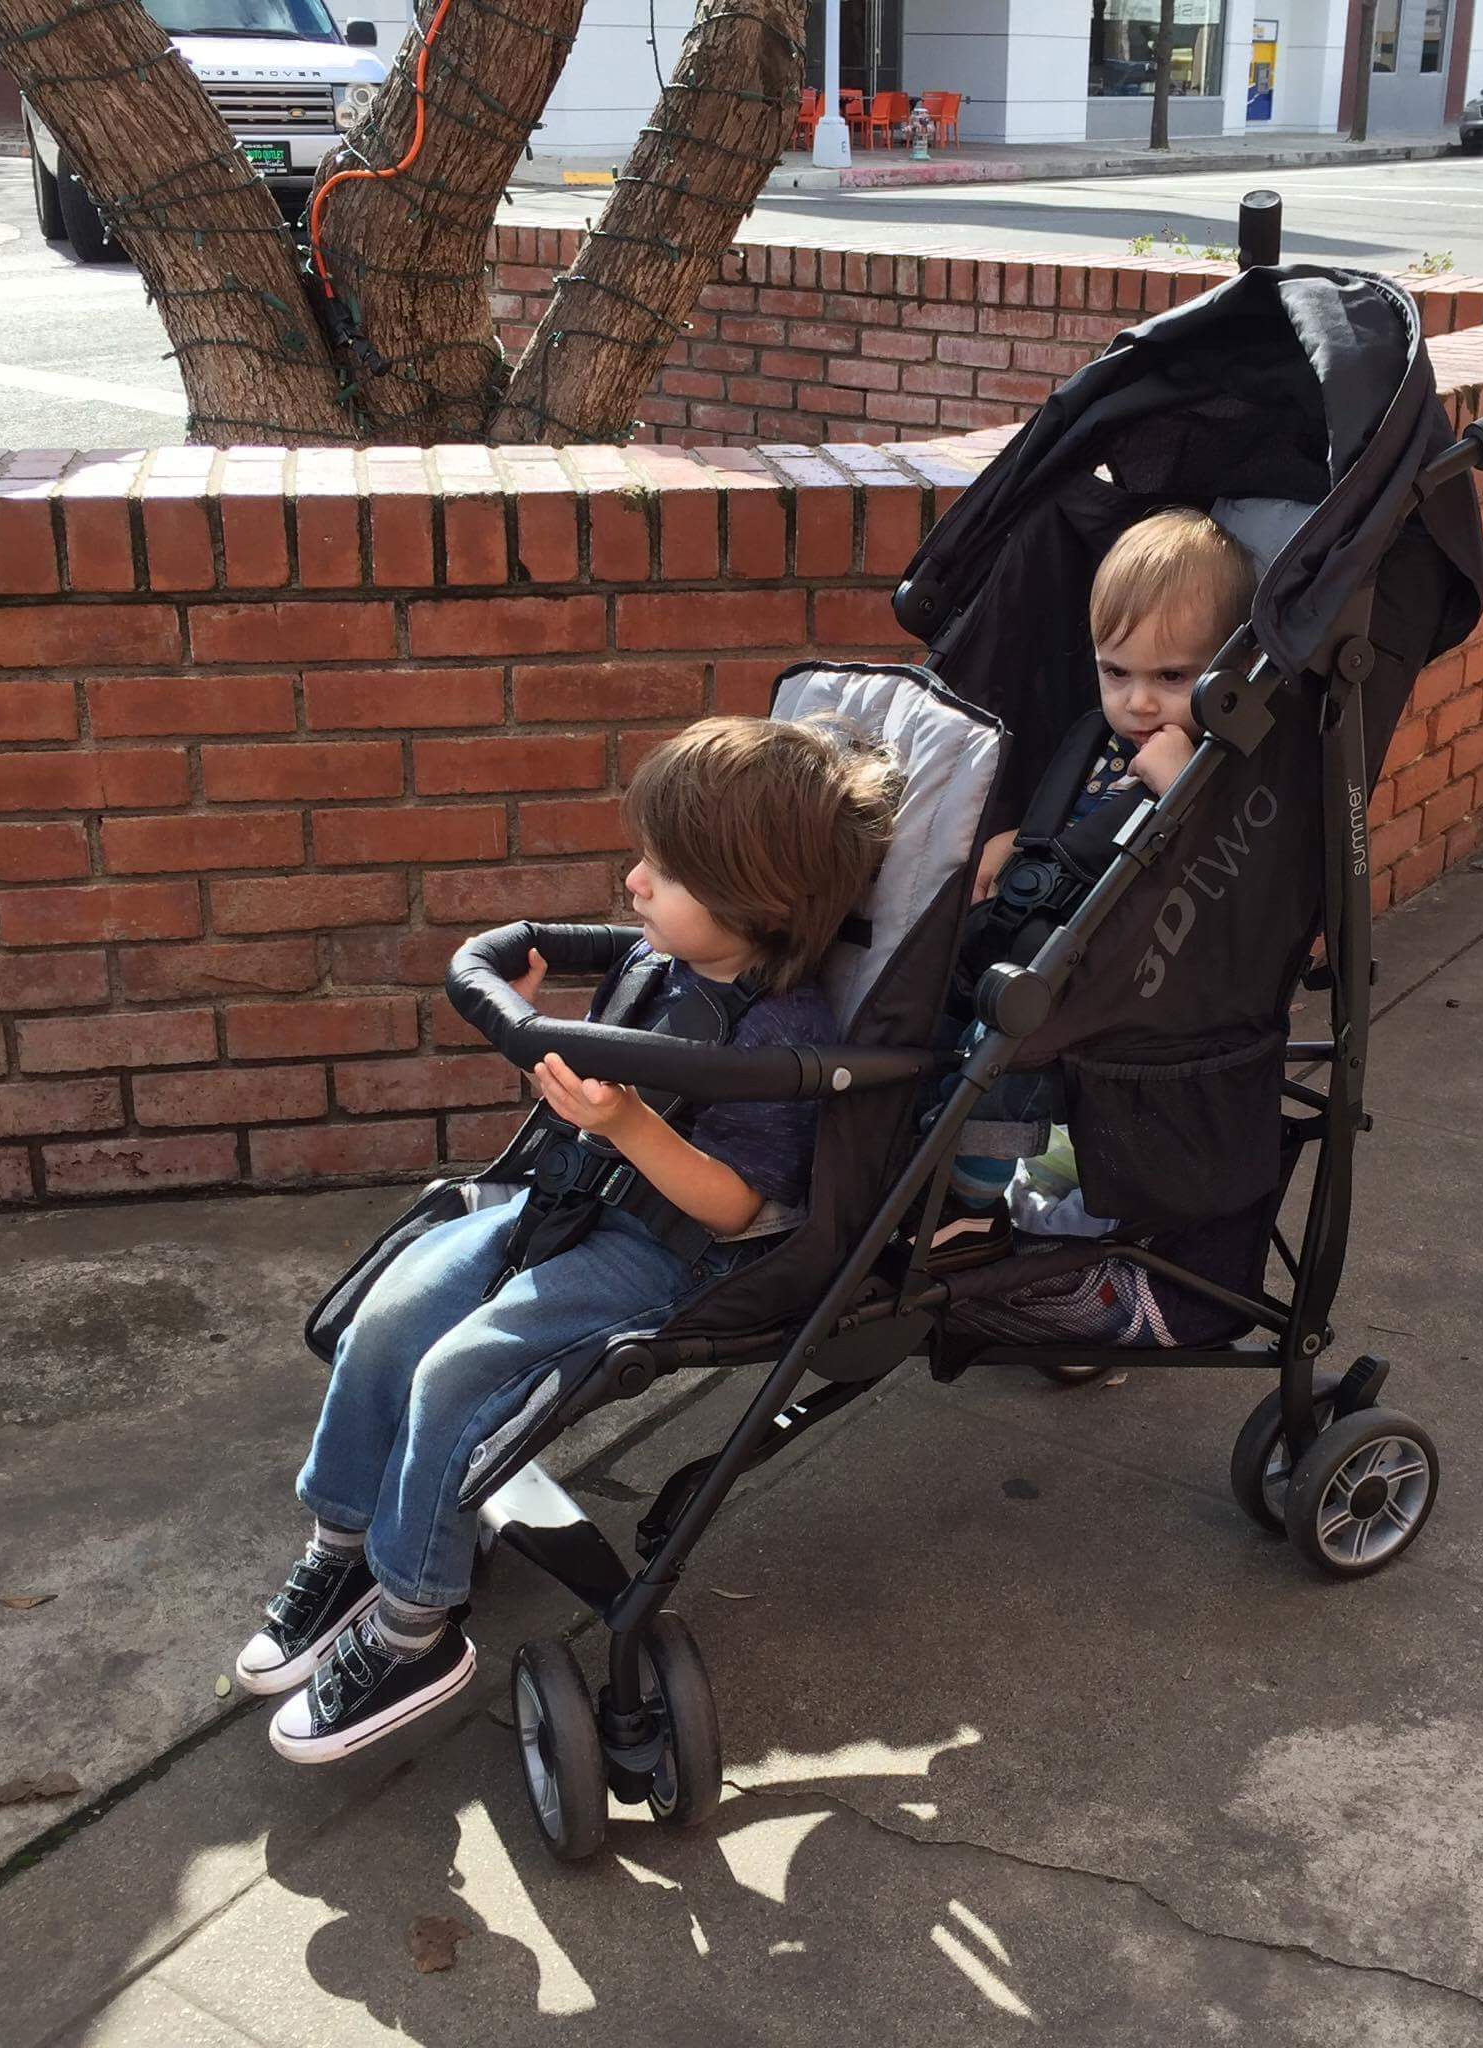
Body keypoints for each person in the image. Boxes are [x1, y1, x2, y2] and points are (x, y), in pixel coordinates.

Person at [237, 716, 898, 1763]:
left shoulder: (784, 1034)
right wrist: (552, 1046)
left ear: (757, 901)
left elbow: (733, 1206)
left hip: (655, 1250)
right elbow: (601, 1073)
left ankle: (414, 1625)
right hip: (557, 1198)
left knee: (459, 1371)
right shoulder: (662, 958)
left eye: (664, 870)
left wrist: (627, 1125)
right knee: (396, 1307)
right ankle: (346, 1541)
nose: (634, 883)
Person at [926, 506, 1258, 1260]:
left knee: (1005, 1037)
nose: (1139, 702)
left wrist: (1184, 805)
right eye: (1117, 672)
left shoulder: (1227, 774)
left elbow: (1223, 898)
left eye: (1173, 676)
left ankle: (971, 1202)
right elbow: (1074, 825)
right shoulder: (1096, 740)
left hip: (1138, 989)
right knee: (934, 993)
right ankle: (914, 1151)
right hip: (1054, 945)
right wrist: (1018, 844)